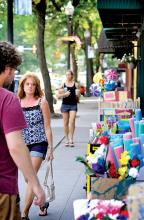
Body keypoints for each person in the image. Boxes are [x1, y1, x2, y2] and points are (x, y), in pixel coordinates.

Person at [0, 41, 45, 220]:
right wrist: (36, 186)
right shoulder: (8, 100)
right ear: (9, 69)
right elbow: (16, 146)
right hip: (3, 190)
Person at [17, 72, 53, 218]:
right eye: (27, 84)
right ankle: (42, 202)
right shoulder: (17, 101)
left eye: (33, 84)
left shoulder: (42, 102)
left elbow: (47, 127)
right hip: (22, 145)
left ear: (37, 86)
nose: (30, 87)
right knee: (28, 178)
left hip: (39, 143)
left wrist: (50, 148)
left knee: (31, 176)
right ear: (23, 86)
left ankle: (24, 213)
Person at [57, 70, 80, 147]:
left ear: (72, 76)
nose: (68, 76)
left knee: (72, 121)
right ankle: (66, 139)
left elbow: (78, 95)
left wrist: (78, 94)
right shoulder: (63, 84)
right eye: (66, 75)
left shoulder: (76, 84)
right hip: (65, 105)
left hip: (73, 105)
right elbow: (58, 95)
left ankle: (71, 139)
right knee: (65, 123)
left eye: (69, 75)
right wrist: (64, 94)